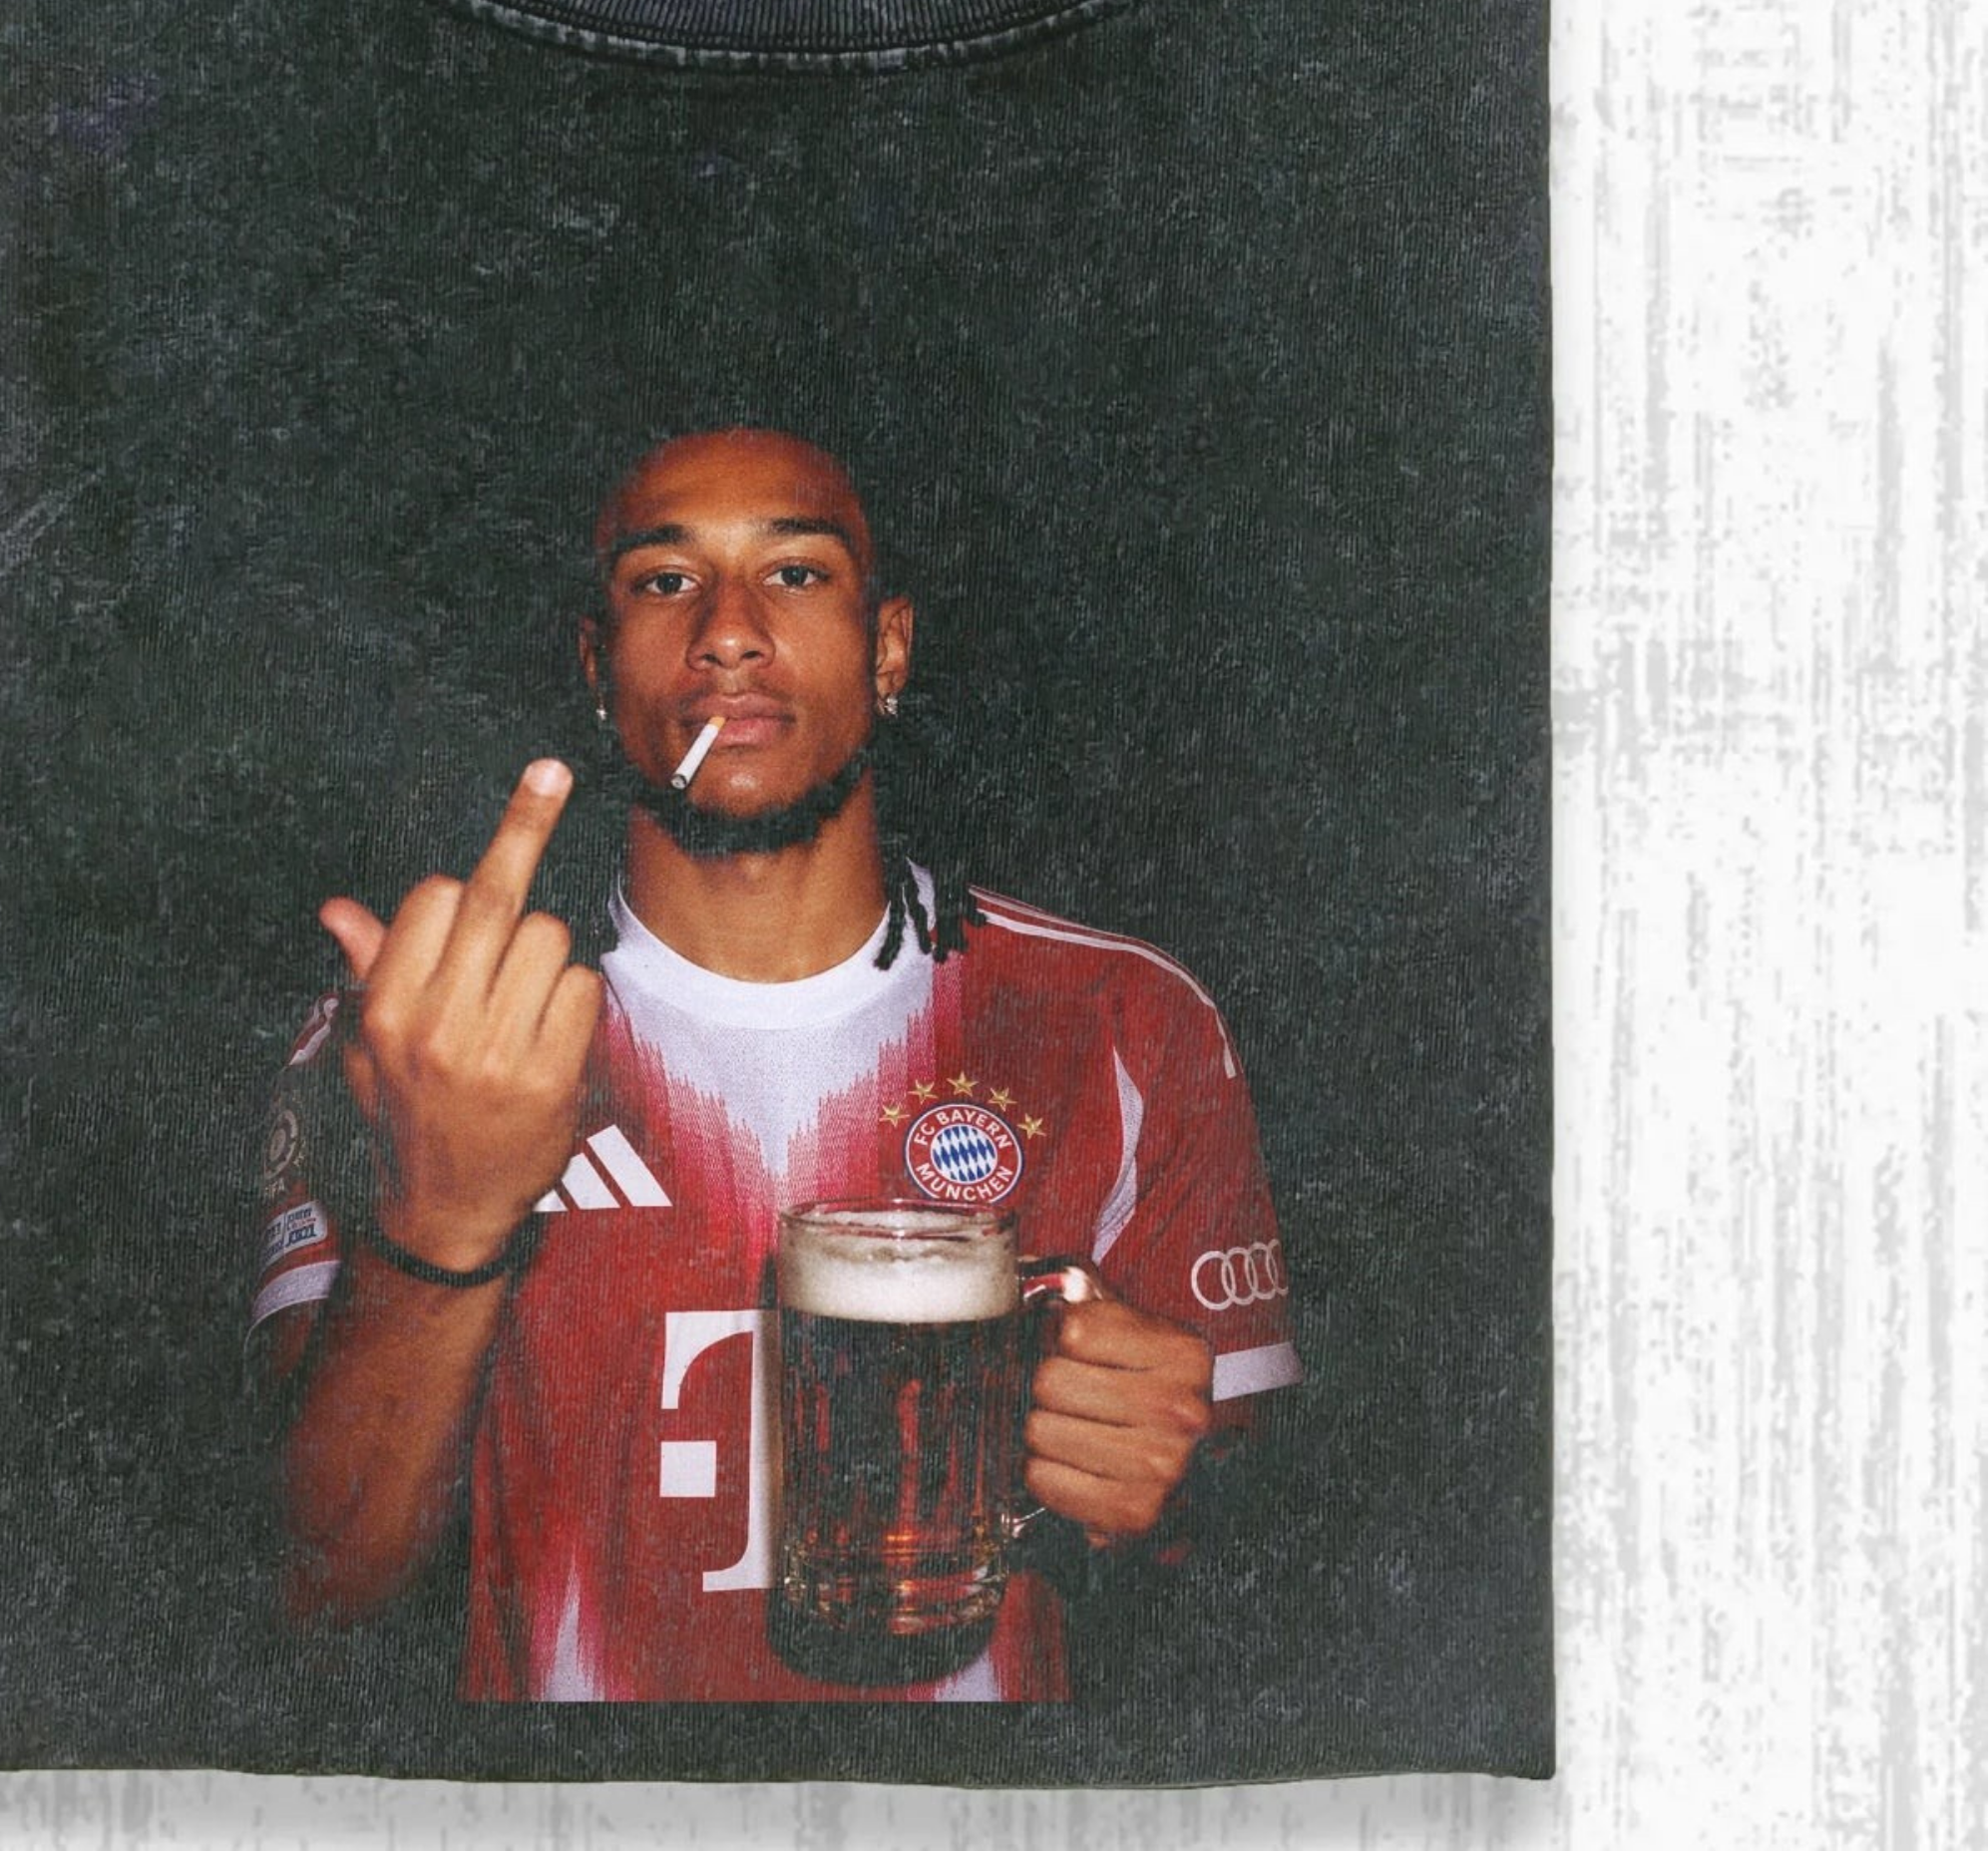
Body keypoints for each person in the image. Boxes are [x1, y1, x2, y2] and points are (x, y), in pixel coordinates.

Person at [249, 425, 1301, 1701]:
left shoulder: (1122, 1019)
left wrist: (1173, 1491)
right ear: (596, 664)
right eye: (664, 580)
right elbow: (309, 1590)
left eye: (795, 573)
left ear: (887, 648)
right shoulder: (417, 1035)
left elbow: (1260, 1534)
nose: (728, 632)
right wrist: (437, 1229)